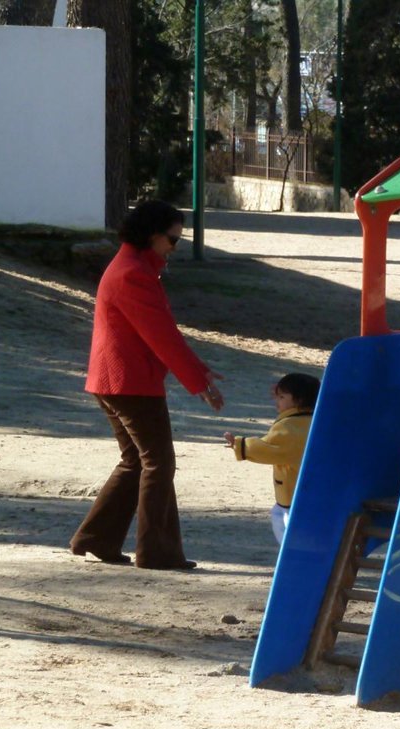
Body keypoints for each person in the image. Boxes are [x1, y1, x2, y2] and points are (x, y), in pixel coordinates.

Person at [70, 200, 225, 570]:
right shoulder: (133, 273)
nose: (175, 247)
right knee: (158, 463)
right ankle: (157, 552)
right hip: (129, 381)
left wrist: (199, 371)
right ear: (153, 236)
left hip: (115, 380)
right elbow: (161, 337)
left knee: (136, 462)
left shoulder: (132, 267)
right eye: (173, 240)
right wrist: (198, 380)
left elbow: (162, 333)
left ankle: (96, 538)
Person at [223, 373, 319, 544]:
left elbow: (269, 449)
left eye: (282, 397)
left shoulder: (289, 426)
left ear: (299, 400)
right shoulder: (318, 421)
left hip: (292, 496)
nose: (277, 401)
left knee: (287, 530)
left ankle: (293, 558)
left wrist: (241, 445)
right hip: (313, 491)